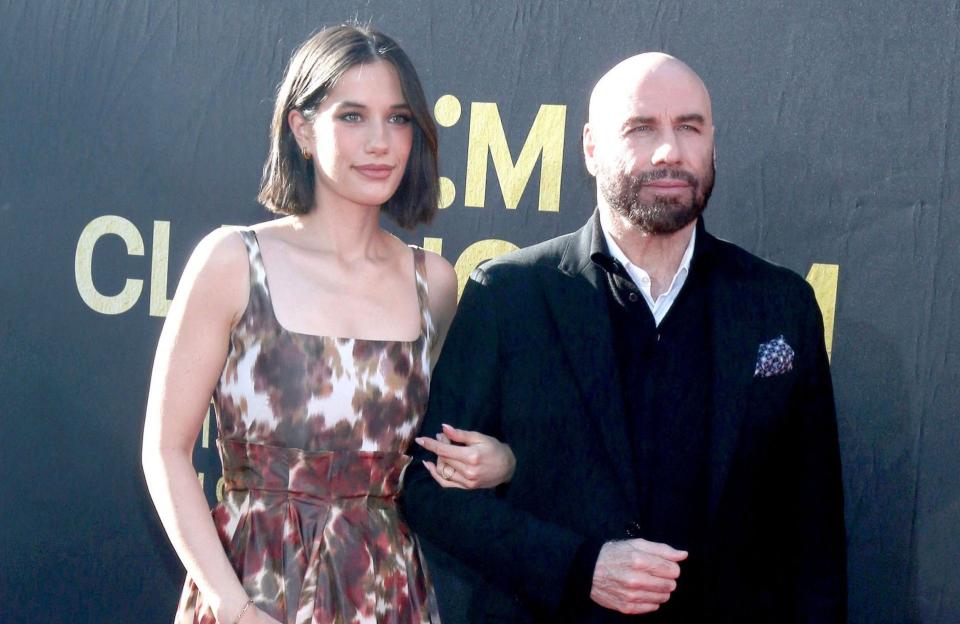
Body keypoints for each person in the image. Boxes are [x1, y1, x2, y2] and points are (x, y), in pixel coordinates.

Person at [402, 52, 846, 622]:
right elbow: (431, 490)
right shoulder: (511, 294)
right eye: (641, 128)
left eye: (690, 127)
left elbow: (814, 531)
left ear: (712, 143)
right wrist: (580, 566)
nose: (670, 151)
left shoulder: (778, 304)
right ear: (590, 147)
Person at [142, 25, 514, 624]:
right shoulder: (233, 261)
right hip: (250, 586)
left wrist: (499, 462)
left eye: (398, 119)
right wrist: (232, 607)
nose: (379, 142)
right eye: (351, 116)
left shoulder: (434, 284)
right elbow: (165, 450)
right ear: (301, 128)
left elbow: (437, 451)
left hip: (386, 592)